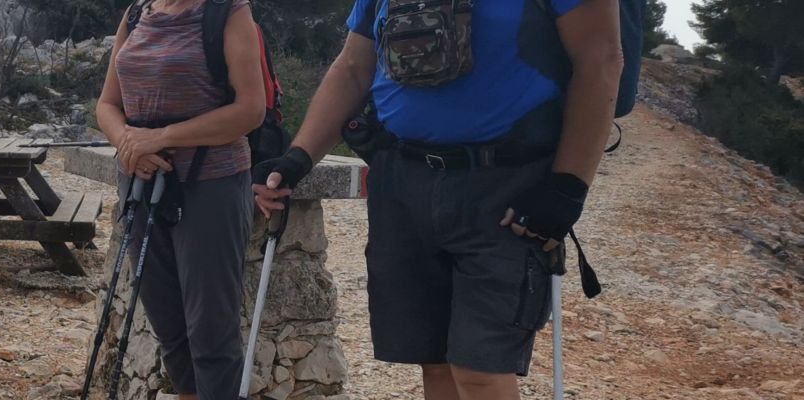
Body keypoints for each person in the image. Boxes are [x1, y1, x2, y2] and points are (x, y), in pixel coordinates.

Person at [252, 0, 622, 398]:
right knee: (435, 361)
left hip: (508, 189)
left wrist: (567, 189)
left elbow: (601, 59)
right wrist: (298, 157)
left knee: (481, 369)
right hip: (402, 183)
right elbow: (353, 67)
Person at [94, 0, 268, 398]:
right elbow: (106, 104)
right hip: (141, 181)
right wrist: (127, 143)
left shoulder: (227, 12)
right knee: (168, 323)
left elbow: (250, 109)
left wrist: (159, 138)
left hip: (212, 184)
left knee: (211, 329)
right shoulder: (138, 12)